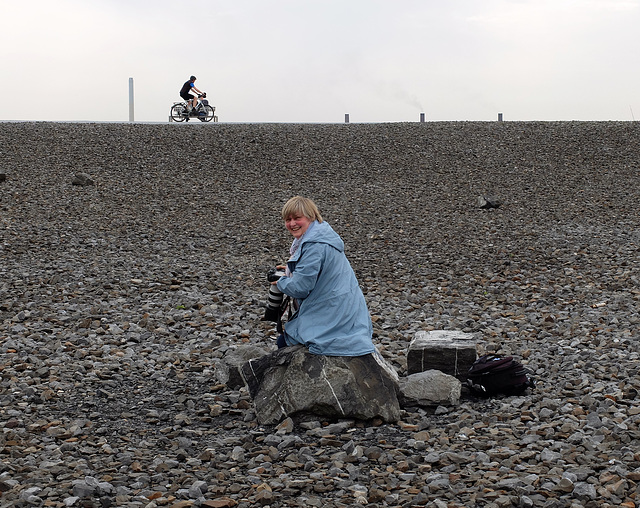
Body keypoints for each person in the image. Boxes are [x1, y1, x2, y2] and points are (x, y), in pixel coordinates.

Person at [272, 196, 375, 357]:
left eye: (297, 218)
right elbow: (319, 271)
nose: (292, 224)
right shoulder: (323, 235)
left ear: (311, 216)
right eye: (288, 219)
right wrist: (292, 271)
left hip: (333, 314)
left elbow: (301, 288)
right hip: (348, 311)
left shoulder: (314, 245)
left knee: (283, 342)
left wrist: (281, 281)